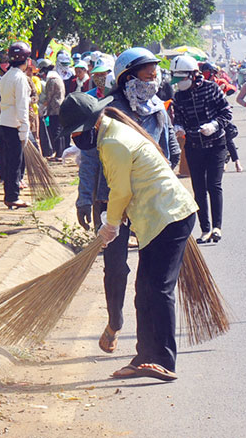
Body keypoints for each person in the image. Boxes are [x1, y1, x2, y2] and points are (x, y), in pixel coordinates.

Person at [60, 93, 198, 382]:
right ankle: (144, 357)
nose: (75, 139)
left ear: (90, 126)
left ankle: (163, 360)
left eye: (75, 132)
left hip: (169, 217)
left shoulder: (113, 142)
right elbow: (124, 187)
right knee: (144, 290)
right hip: (157, 219)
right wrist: (115, 219)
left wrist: (110, 226)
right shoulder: (111, 132)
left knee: (158, 290)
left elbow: (120, 192)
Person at [93, 47, 181, 353]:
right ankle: (114, 320)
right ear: (127, 78)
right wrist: (84, 198)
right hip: (112, 200)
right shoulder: (109, 112)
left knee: (151, 272)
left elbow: (171, 149)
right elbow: (92, 160)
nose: (153, 80)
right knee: (115, 266)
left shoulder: (159, 108)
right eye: (147, 74)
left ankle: (150, 343)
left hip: (149, 203)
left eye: (156, 75)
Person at [170, 54, 232, 244]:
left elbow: (226, 112)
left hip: (216, 145)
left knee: (214, 185)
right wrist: (178, 128)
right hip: (194, 145)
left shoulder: (211, 88)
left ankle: (216, 227)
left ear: (193, 75)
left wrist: (214, 125)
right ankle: (204, 229)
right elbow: (178, 117)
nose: (178, 83)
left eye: (182, 79)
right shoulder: (179, 96)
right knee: (198, 188)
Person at [0, 42, 32, 209]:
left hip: (4, 121)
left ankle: (11, 193)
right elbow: (22, 106)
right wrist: (24, 128)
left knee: (10, 160)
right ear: (26, 61)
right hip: (15, 124)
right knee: (14, 162)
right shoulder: (20, 78)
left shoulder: (5, 77)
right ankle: (12, 196)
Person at [38, 59, 66, 160]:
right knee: (59, 131)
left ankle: (59, 154)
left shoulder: (51, 80)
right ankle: (59, 153)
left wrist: (41, 108)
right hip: (60, 108)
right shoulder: (58, 78)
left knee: (55, 131)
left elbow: (48, 97)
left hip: (54, 110)